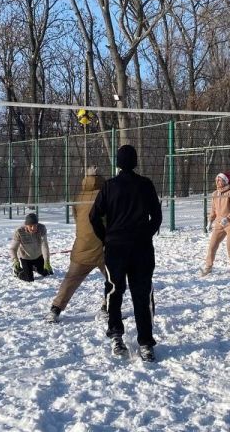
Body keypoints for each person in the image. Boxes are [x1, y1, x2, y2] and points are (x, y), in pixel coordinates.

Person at [90, 145, 162, 362]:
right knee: (142, 293)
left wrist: (106, 237)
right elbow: (157, 216)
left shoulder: (109, 186)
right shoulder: (145, 184)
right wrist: (146, 234)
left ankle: (116, 336)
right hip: (141, 248)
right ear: (135, 162)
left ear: (118, 163)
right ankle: (146, 343)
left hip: (116, 248)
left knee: (115, 291)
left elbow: (93, 216)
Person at [46, 167, 113, 323]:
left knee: (70, 280)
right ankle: (106, 308)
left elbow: (78, 220)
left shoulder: (79, 197)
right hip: (104, 248)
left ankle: (55, 310)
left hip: (82, 247)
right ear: (101, 179)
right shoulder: (106, 195)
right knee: (114, 280)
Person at [201, 171, 230, 278]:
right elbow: (213, 210)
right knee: (212, 246)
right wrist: (210, 221)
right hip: (219, 224)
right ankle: (208, 267)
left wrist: (227, 218)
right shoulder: (215, 194)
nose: (217, 182)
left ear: (225, 181)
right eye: (216, 180)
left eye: (219, 180)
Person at [10, 212, 53, 282]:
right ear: (26, 225)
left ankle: (34, 268)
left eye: (35, 225)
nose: (33, 228)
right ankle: (18, 272)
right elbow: (13, 249)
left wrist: (47, 261)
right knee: (29, 279)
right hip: (26, 258)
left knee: (47, 273)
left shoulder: (42, 228)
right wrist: (15, 260)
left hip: (38, 256)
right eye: (30, 226)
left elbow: (44, 245)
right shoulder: (19, 231)